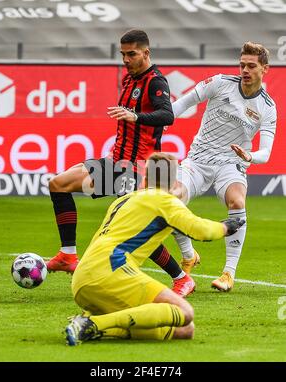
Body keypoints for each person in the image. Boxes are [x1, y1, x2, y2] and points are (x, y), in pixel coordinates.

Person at [46, 29, 192, 296]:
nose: (126, 59)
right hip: (115, 161)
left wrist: (136, 116)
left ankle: (182, 278)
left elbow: (167, 115)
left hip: (137, 167)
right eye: (123, 54)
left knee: (131, 225)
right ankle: (68, 255)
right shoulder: (129, 79)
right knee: (58, 183)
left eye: (131, 54)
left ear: (146, 53)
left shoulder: (155, 81)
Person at [65, 152, 244, 345]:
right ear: (175, 182)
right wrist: (225, 227)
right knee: (185, 312)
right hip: (111, 271)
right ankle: (95, 323)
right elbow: (201, 231)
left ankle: (94, 326)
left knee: (184, 330)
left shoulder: (123, 200)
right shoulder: (164, 201)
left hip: (82, 279)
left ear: (144, 178)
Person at [169, 42, 277, 292]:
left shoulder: (267, 108)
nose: (245, 70)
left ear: (265, 69)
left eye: (251, 66)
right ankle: (188, 255)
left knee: (237, 202)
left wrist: (249, 156)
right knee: (171, 200)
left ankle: (228, 274)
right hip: (198, 160)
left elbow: (267, 153)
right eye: (242, 65)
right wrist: (163, 119)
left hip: (231, 163)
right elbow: (182, 104)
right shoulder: (219, 83)